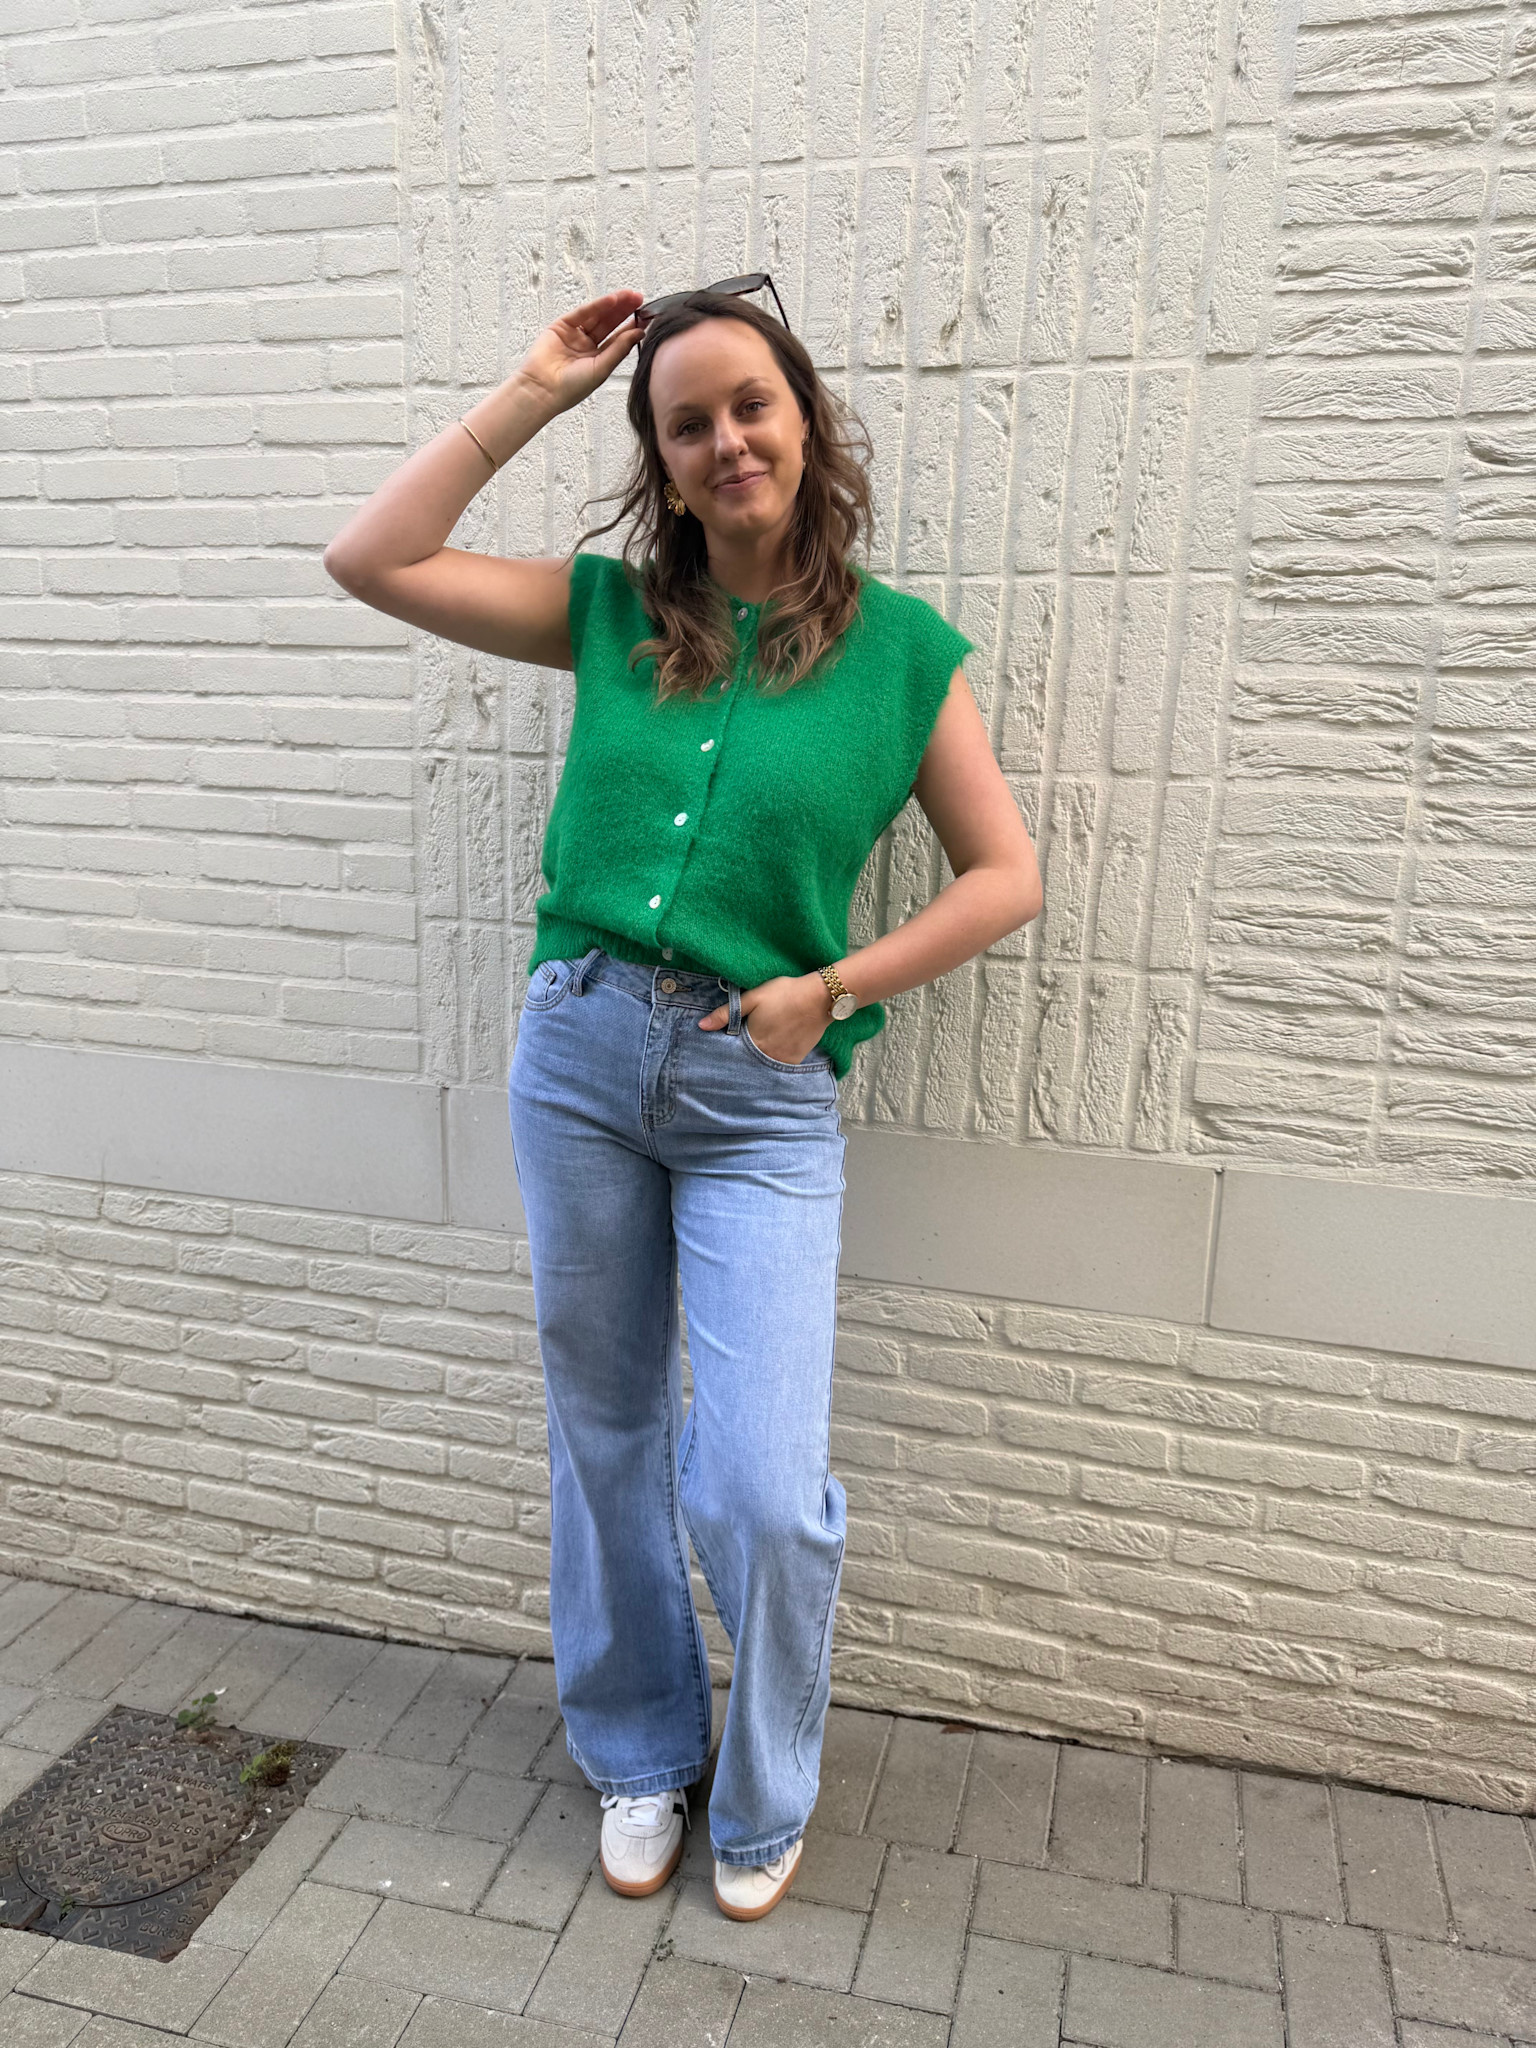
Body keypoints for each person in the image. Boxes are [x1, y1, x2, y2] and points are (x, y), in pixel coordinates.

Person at [322, 279, 1042, 1921]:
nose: (726, 440)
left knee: (759, 1487)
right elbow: (373, 558)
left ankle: (768, 1789)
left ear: (807, 421)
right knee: (607, 1426)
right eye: (687, 422)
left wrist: (834, 989)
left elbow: (1005, 876)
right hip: (578, 1059)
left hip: (758, 1093)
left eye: (750, 405)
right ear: (660, 456)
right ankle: (640, 1748)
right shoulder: (608, 615)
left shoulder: (903, 657)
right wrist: (533, 391)